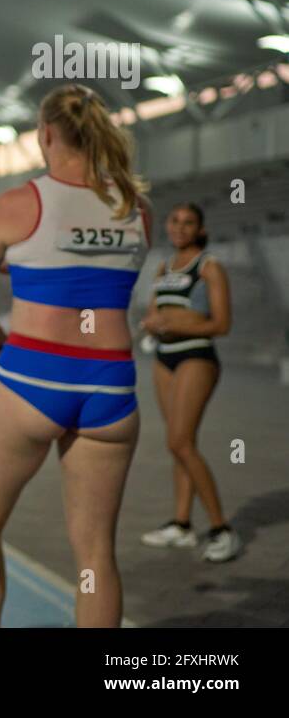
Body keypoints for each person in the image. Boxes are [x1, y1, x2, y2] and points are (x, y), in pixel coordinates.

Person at [0, 83, 150, 627]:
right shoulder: (137, 208)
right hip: (111, 388)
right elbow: (91, 275)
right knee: (95, 556)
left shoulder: (19, 202)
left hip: (32, 375)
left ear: (44, 134)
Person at [140, 202, 240, 561]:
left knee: (180, 442)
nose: (180, 227)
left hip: (196, 356)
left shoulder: (209, 267)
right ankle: (181, 525)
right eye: (175, 221)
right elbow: (154, 312)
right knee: (178, 443)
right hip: (164, 358)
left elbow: (222, 323)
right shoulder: (163, 267)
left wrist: (174, 324)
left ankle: (222, 529)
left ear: (200, 229)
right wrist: (152, 323)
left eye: (189, 223)